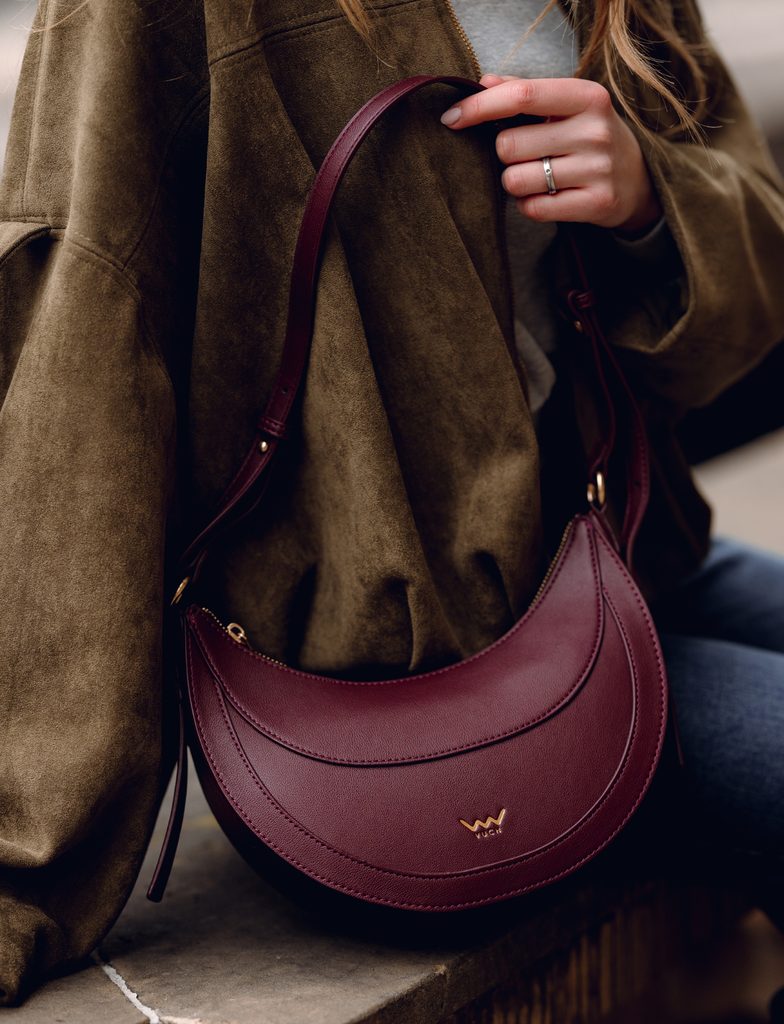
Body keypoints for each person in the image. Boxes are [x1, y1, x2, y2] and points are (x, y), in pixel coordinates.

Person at [0, 0, 782, 1007]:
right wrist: (28, 856)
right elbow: (81, 355)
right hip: (398, 675)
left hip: (626, 543)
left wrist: (647, 199)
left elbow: (753, 241)